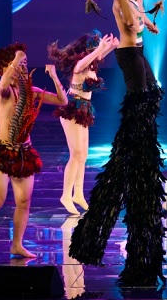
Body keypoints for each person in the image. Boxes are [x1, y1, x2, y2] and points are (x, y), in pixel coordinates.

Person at [69, 0, 167, 286]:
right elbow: (131, 26)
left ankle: (142, 129)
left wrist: (149, 21)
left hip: (138, 52)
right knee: (141, 98)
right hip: (128, 55)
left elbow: (141, 20)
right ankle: (135, 131)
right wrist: (134, 11)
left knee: (153, 92)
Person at [0, 44, 67, 263]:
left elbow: (62, 101)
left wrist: (53, 77)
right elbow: (3, 83)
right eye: (17, 63)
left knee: (23, 201)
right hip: (2, 151)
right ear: (5, 67)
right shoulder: (3, 90)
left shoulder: (31, 91)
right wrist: (16, 59)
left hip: (24, 152)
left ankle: (17, 244)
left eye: (24, 63)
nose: (22, 66)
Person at [48, 30, 117, 215]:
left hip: (84, 108)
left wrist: (111, 47)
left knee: (83, 155)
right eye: (94, 48)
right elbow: (81, 65)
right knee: (76, 153)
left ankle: (77, 194)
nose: (97, 52)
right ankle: (66, 195)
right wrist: (101, 48)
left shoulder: (91, 63)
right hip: (72, 109)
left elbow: (98, 56)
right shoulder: (80, 64)